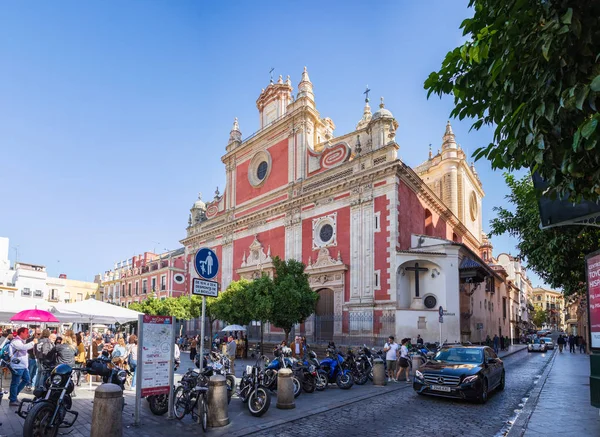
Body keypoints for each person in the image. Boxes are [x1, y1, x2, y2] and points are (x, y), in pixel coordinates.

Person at [8, 327, 37, 406]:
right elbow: (22, 347)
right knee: (15, 383)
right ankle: (13, 399)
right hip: (17, 366)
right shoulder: (16, 341)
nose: (27, 334)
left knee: (26, 379)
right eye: (26, 333)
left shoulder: (21, 341)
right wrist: (33, 343)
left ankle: (13, 396)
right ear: (21, 333)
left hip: (23, 366)